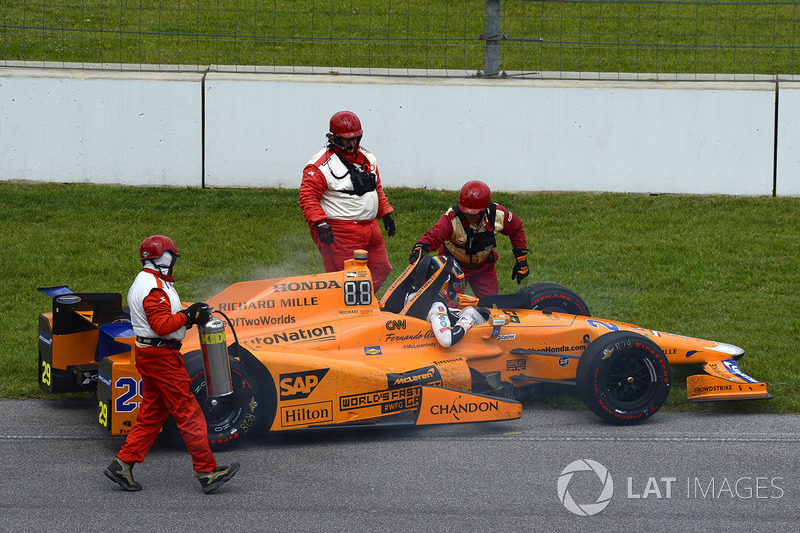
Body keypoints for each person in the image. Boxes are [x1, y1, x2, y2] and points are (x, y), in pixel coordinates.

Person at [103, 235, 239, 494]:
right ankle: (207, 472)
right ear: (163, 257)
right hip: (161, 357)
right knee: (189, 413)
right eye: (172, 257)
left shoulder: (150, 281)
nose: (174, 262)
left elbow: (165, 322)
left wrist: (189, 317)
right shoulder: (153, 288)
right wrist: (188, 316)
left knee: (153, 414)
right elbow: (162, 326)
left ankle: (122, 464)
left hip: (152, 354)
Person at [300, 110, 395, 291]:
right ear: (333, 138)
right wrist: (320, 223)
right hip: (340, 230)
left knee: (381, 269)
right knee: (345, 280)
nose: (351, 143)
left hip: (370, 227)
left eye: (355, 138)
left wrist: (385, 212)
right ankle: (343, 312)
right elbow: (308, 196)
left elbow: (377, 187)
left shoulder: (368, 157)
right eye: (346, 139)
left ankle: (361, 304)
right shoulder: (319, 165)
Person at [409, 180, 529, 298]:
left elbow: (517, 230)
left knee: (491, 306)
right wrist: (421, 247)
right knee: (448, 306)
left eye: (474, 214)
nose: (469, 216)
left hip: (484, 268)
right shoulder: (452, 218)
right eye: (466, 212)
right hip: (452, 267)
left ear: (484, 209)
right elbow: (434, 235)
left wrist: (521, 260)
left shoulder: (498, 214)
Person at [404, 255, 489, 347]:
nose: (454, 289)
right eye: (453, 285)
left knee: (469, 310)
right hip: (431, 347)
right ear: (444, 283)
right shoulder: (437, 307)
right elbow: (446, 340)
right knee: (471, 313)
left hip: (414, 336)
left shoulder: (412, 294)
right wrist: (463, 324)